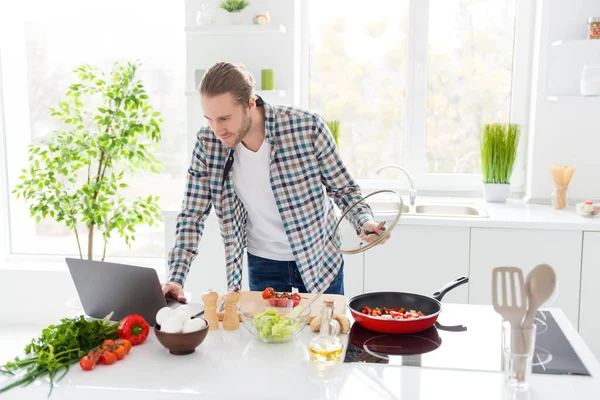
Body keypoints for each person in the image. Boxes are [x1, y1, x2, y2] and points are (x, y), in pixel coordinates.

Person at [162, 62, 388, 302]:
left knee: (324, 335)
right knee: (266, 335)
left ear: (250, 103)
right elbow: (191, 214)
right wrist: (176, 278)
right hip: (263, 262)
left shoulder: (306, 127)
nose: (217, 130)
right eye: (209, 119)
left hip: (319, 258)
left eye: (225, 118)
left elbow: (343, 189)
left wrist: (364, 221)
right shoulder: (208, 143)